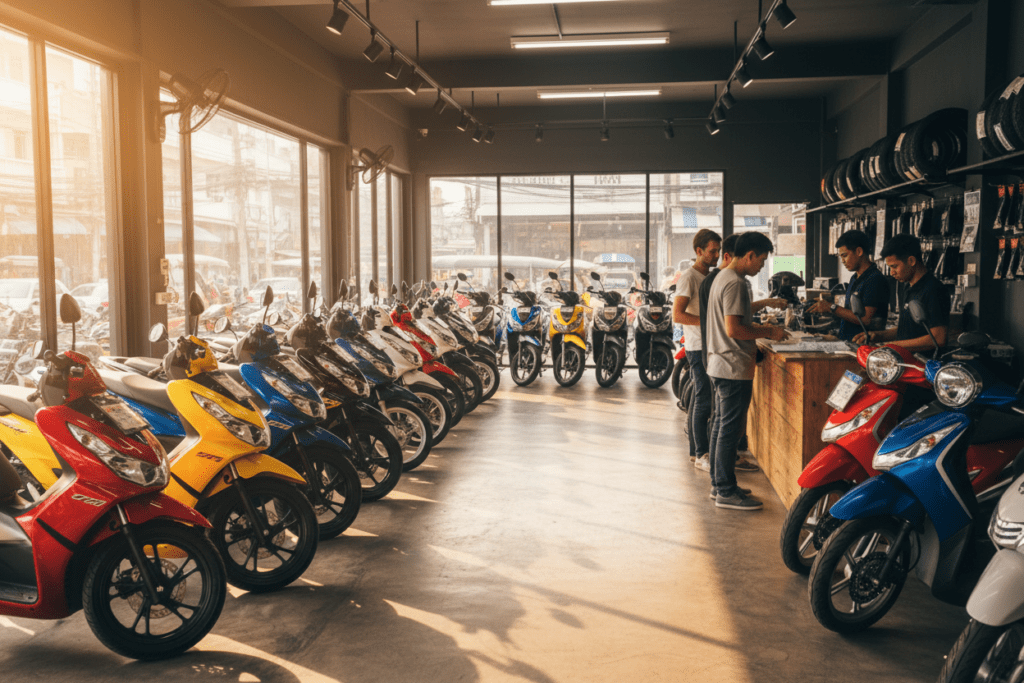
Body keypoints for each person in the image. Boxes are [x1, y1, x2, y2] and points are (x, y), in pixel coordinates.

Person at [706, 232, 789, 510]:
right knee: (728, 430)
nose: (762, 267)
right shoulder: (736, 283)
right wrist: (770, 331)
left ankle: (720, 485)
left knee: (721, 427)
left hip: (721, 363)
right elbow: (735, 329)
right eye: (762, 260)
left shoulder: (722, 277)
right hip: (732, 366)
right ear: (750, 255)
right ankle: (726, 491)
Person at [673, 229, 721, 468]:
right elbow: (678, 315)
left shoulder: (710, 277)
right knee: (702, 398)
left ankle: (698, 451)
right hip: (697, 347)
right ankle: (700, 453)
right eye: (712, 251)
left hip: (709, 345)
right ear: (699, 251)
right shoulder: (689, 277)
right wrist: (709, 321)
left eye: (718, 251)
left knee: (704, 398)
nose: (717, 255)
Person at [852, 233, 949, 351]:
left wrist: (890, 346)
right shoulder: (908, 287)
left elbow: (938, 338)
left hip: (923, 364)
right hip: (904, 361)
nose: (892, 273)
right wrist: (879, 336)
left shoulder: (934, 290)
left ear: (911, 260)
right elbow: (907, 329)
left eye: (894, 266)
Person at [808, 230, 890, 341]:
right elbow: (849, 315)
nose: (843, 261)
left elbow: (865, 319)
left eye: (845, 255)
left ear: (859, 251)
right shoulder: (854, 278)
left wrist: (831, 307)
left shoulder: (875, 279)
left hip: (865, 346)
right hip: (849, 343)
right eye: (840, 257)